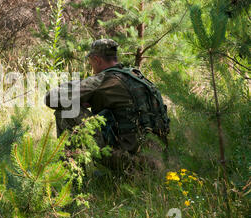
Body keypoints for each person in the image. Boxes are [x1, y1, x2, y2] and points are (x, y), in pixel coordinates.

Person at [44, 39, 169, 171]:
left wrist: (76, 96)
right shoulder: (137, 77)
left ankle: (71, 180)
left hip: (129, 161)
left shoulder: (103, 80)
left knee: (66, 110)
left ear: (97, 60)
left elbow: (50, 98)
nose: (91, 66)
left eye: (91, 62)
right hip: (158, 160)